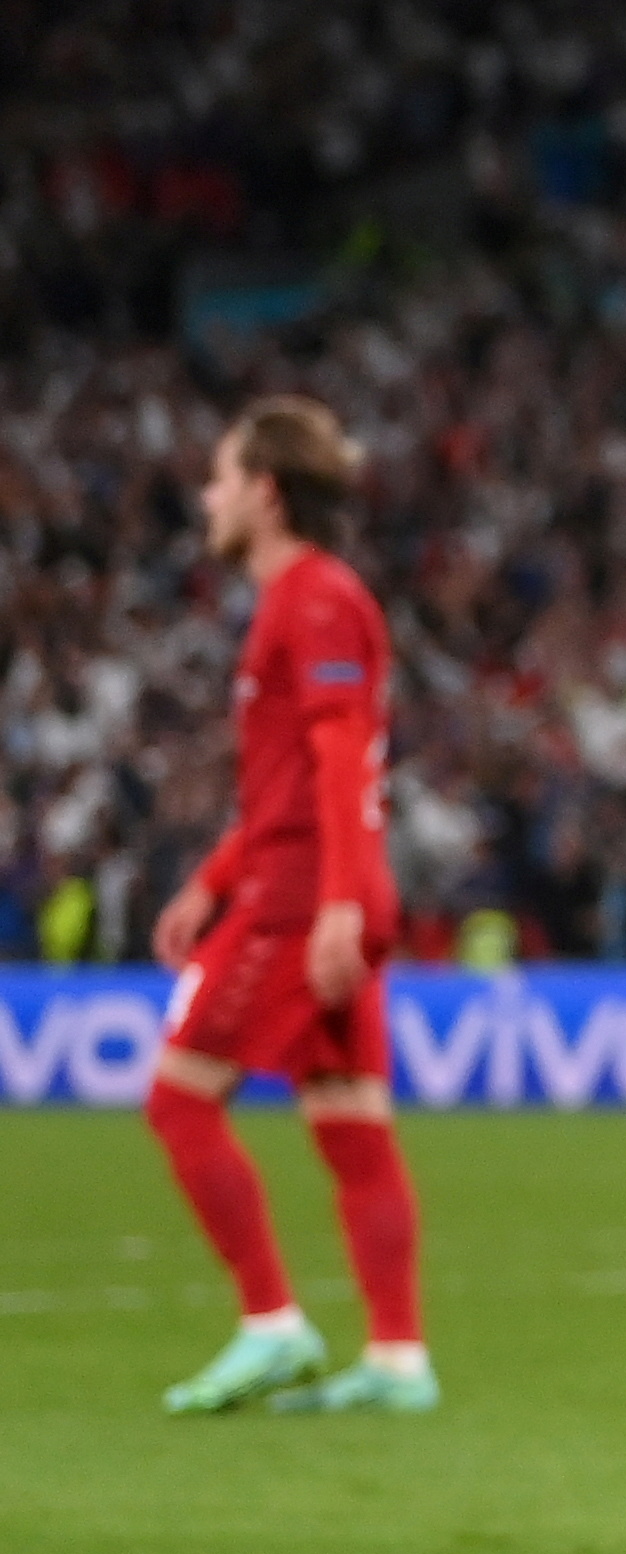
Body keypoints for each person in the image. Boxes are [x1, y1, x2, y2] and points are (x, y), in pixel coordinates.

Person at [148, 397, 436, 1417]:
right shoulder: (309, 599)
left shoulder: (311, 600)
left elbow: (339, 756)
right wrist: (212, 877)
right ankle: (397, 1358)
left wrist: (338, 905)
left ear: (267, 494)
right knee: (352, 1125)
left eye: (223, 478)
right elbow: (289, 783)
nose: (208, 497)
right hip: (309, 886)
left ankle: (271, 1322)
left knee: (180, 1101)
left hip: (303, 900)